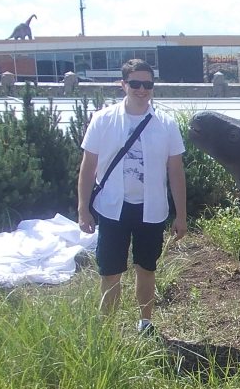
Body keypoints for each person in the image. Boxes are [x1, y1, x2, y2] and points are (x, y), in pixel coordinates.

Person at [77, 58, 187, 335]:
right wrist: (83, 208)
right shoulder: (104, 120)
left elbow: (175, 171)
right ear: (123, 84)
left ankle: (145, 322)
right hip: (113, 207)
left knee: (146, 267)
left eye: (147, 84)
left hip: (151, 209)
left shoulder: (165, 123)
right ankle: (108, 329)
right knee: (110, 271)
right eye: (135, 84)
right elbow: (88, 166)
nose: (142, 90)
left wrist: (181, 215)